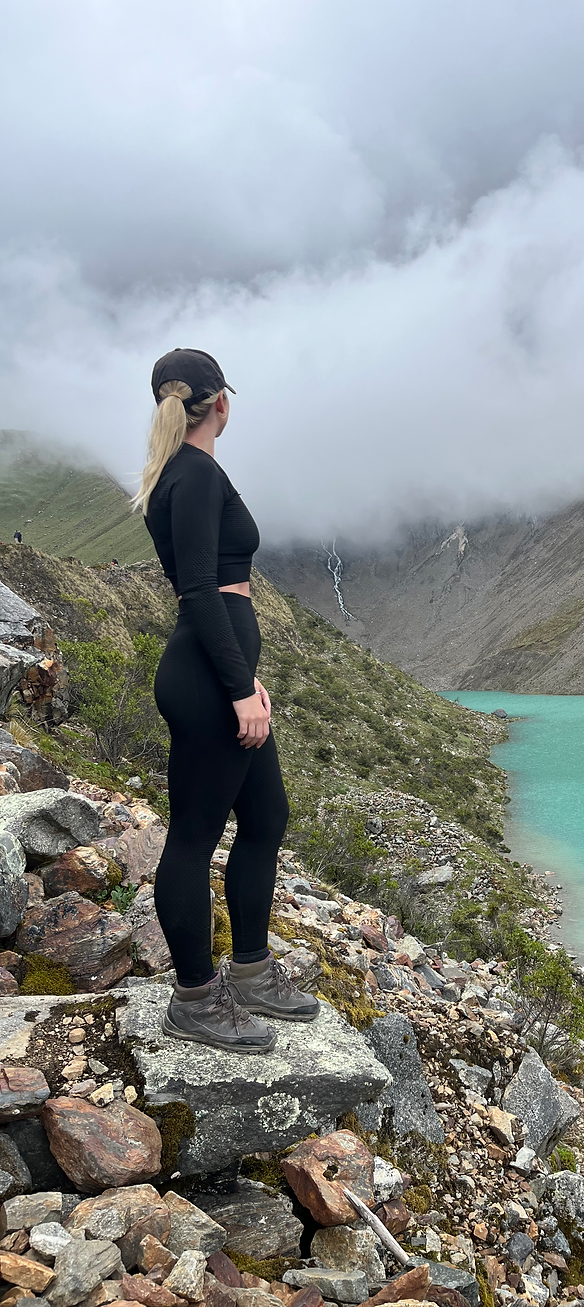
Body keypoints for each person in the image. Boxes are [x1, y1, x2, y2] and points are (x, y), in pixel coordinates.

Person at [134, 348, 318, 1053]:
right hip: (211, 678)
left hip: (223, 671)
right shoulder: (199, 472)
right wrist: (240, 686)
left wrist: (247, 678)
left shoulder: (175, 472)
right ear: (221, 404)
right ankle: (194, 997)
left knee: (267, 815)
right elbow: (201, 592)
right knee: (193, 835)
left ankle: (249, 971)